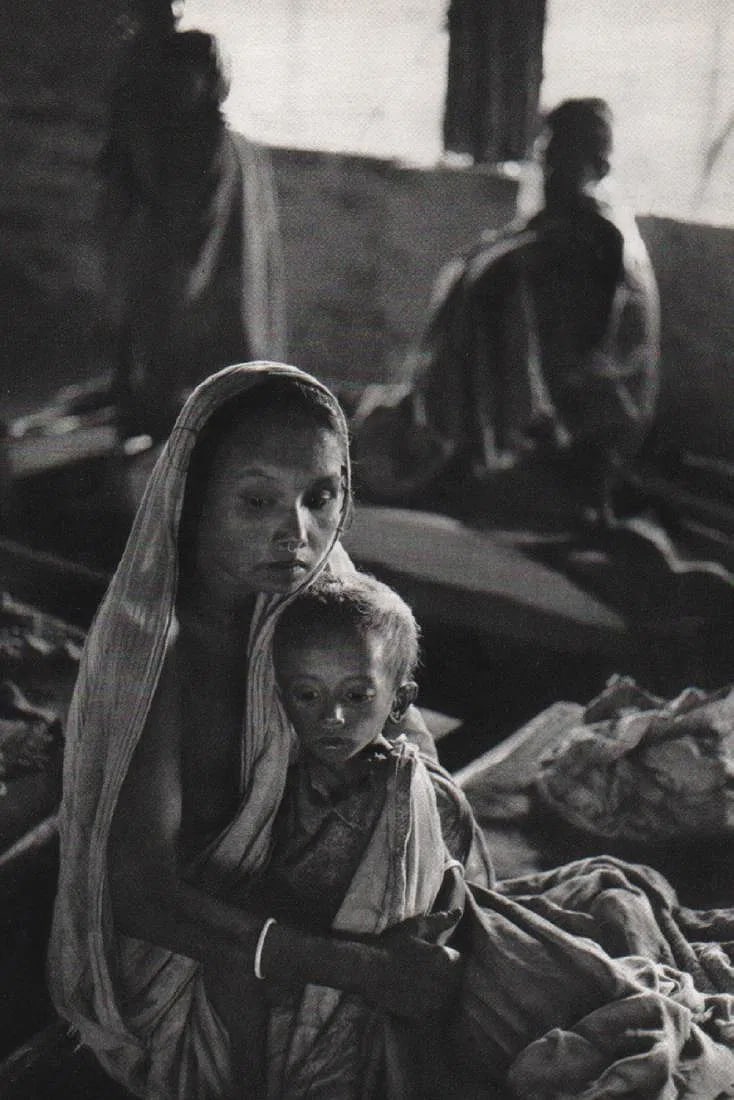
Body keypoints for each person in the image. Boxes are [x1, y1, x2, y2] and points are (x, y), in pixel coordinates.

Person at [48, 363, 455, 1100]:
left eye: (320, 497)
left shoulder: (316, 601)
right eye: (257, 499)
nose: (295, 532)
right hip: (192, 969)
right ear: (193, 499)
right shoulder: (154, 653)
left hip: (297, 906)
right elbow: (140, 896)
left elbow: (409, 738)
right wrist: (359, 966)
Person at [353, 98, 660, 530]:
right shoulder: (556, 228)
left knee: (384, 470)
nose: (551, 174)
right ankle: (454, 439)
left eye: (566, 161)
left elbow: (568, 363)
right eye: (545, 158)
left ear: (600, 168)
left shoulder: (599, 242)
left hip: (573, 439)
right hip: (513, 419)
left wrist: (512, 436)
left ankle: (468, 452)